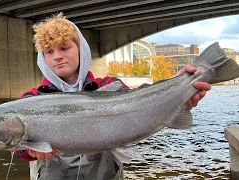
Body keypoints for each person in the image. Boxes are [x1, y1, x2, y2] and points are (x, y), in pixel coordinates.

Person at [15, 13, 211, 180]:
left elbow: (143, 101)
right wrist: (29, 150)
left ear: (81, 50)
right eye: (49, 51)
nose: (57, 56)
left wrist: (177, 89)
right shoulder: (32, 99)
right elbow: (18, 149)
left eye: (64, 48)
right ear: (42, 58)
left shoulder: (109, 87)